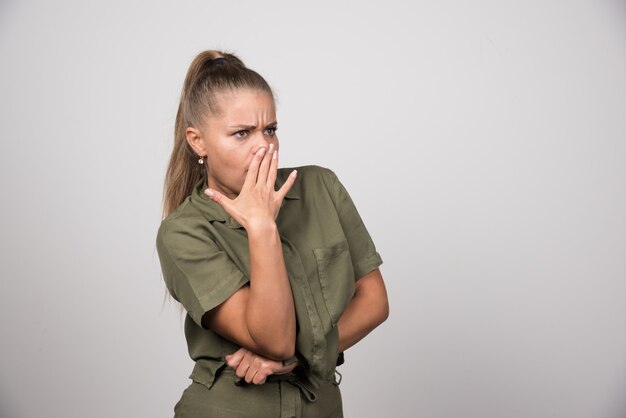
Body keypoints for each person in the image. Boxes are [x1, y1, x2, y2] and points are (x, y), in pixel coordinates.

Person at [156, 49, 389, 418]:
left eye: (270, 130)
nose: (263, 146)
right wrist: (262, 225)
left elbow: (374, 301)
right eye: (241, 133)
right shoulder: (183, 232)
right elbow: (274, 339)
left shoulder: (321, 186)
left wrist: (297, 359)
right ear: (197, 141)